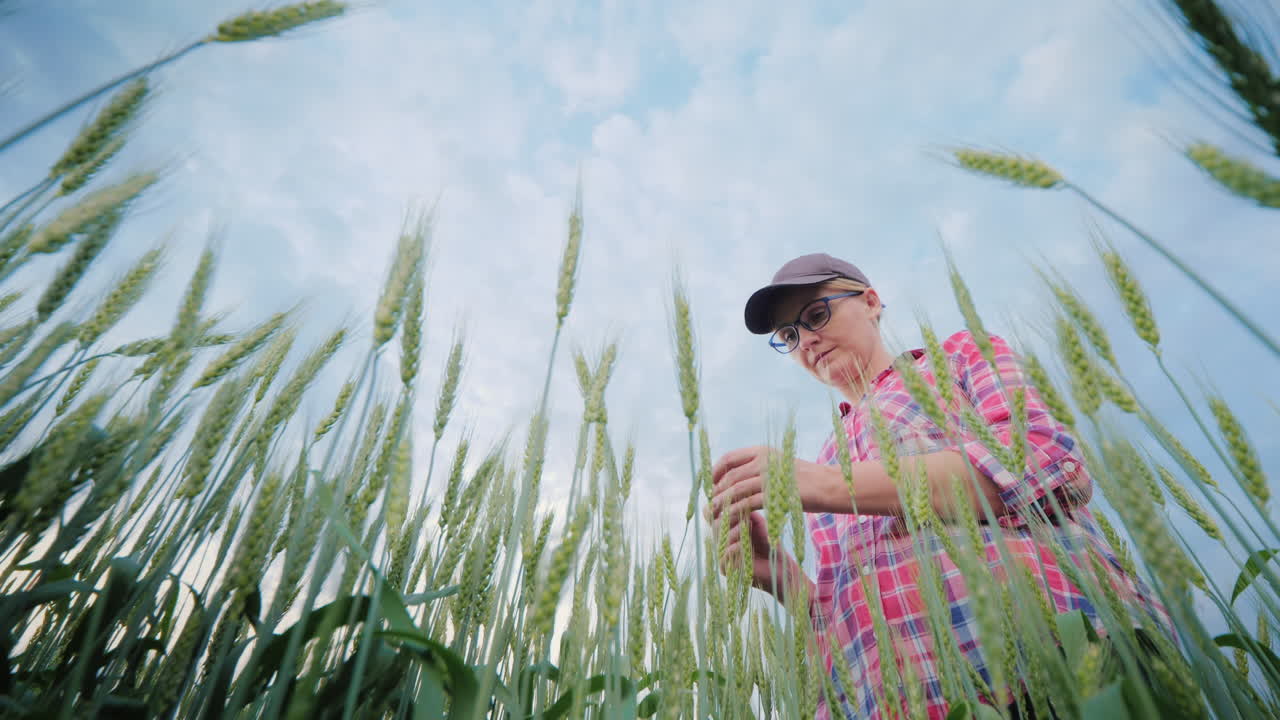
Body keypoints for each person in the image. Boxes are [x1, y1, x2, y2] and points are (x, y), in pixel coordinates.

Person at [704, 253, 1169, 720]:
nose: (805, 340)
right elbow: (851, 631)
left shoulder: (959, 358)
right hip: (921, 704)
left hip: (1061, 661)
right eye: (788, 335)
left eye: (816, 314)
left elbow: (1049, 463)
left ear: (870, 302)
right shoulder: (823, 458)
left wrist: (825, 484)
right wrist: (783, 579)